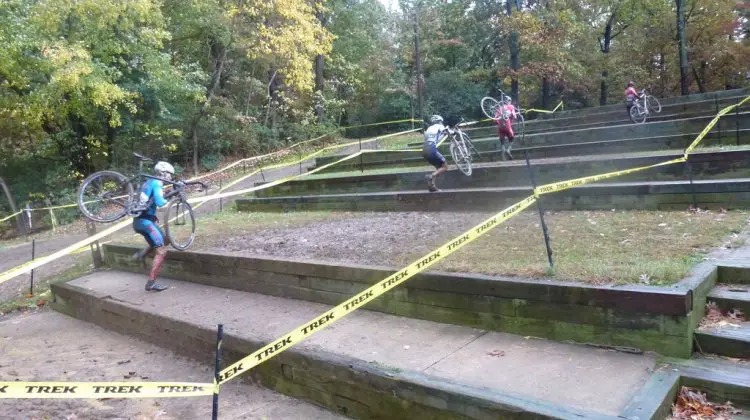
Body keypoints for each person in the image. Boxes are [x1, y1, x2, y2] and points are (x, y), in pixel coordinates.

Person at [132, 161, 175, 292]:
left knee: (165, 239)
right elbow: (160, 202)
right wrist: (171, 199)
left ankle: (141, 254)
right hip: (145, 223)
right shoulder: (157, 182)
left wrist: (167, 192)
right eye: (169, 174)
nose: (170, 177)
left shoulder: (148, 182)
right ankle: (151, 283)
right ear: (164, 173)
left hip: (140, 222)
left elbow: (150, 199)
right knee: (162, 251)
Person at [422, 115, 448, 192]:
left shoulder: (429, 128)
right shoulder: (440, 126)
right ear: (440, 121)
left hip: (424, 150)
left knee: (438, 168)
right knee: (445, 167)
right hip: (431, 149)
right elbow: (447, 132)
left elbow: (434, 139)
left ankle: (432, 186)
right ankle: (431, 176)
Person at [495, 96, 516, 160]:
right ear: (509, 101)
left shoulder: (499, 108)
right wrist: (513, 116)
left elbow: (495, 119)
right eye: (510, 101)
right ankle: (508, 150)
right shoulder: (511, 106)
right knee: (512, 138)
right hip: (507, 125)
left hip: (500, 127)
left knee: (502, 142)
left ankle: (503, 156)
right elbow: (514, 116)